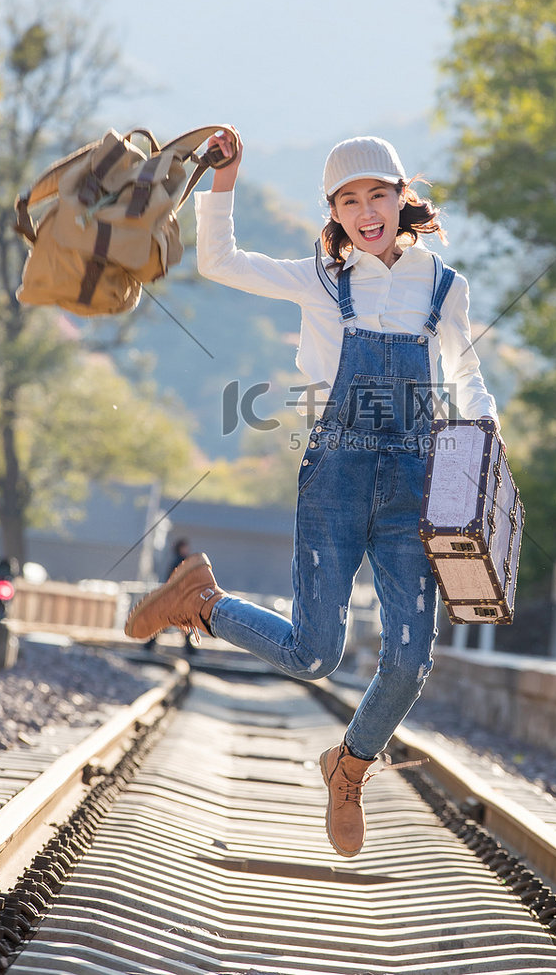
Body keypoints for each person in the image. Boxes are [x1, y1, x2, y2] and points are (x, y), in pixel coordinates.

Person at [125, 130, 501, 857]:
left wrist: (485, 433)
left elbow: (469, 376)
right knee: (313, 654)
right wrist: (225, 181)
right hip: (337, 473)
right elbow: (220, 261)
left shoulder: (446, 287)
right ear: (334, 210)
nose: (367, 211)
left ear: (402, 197)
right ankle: (203, 601)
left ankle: (348, 765)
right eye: (349, 200)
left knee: (411, 658)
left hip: (414, 486)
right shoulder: (323, 279)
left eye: (378, 195)